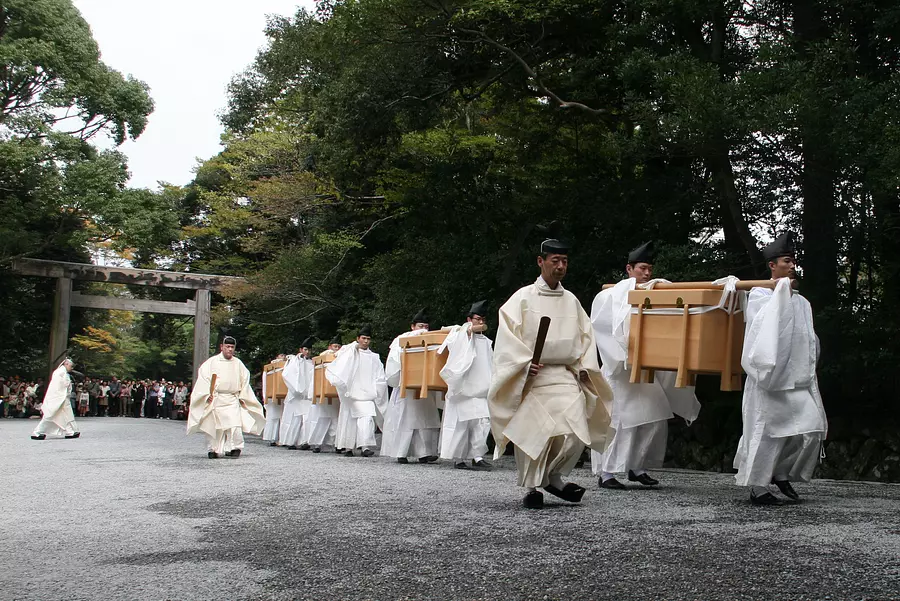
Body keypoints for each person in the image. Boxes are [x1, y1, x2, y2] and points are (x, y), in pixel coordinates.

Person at [488, 238, 612, 509]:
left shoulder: (572, 301)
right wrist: (522, 366)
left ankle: (553, 476)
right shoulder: (522, 298)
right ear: (540, 261)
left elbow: (585, 338)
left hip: (565, 374)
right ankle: (533, 486)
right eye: (555, 261)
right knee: (536, 431)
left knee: (573, 428)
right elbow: (508, 338)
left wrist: (582, 368)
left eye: (564, 262)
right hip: (534, 375)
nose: (560, 266)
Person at [589, 241, 701, 489]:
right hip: (621, 371)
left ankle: (636, 467)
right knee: (619, 422)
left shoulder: (656, 294)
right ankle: (607, 472)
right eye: (642, 268)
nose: (647, 273)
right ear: (629, 269)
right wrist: (624, 355)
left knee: (654, 416)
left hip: (647, 369)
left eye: (649, 268)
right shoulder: (610, 296)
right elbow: (601, 328)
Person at [733, 233, 828, 505]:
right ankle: (758, 487)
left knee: (809, 429)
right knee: (766, 432)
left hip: (796, 378)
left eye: (794, 261)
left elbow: (808, 339)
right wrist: (779, 291)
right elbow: (761, 332)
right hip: (768, 379)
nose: (792, 265)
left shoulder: (800, 301)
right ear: (772, 265)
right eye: (787, 261)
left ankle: (781, 472)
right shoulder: (760, 295)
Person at [437, 300, 494, 470]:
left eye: (483, 318)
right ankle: (458, 458)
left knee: (482, 423)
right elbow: (468, 333)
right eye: (477, 318)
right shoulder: (459, 334)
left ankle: (477, 456)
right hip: (463, 389)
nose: (481, 322)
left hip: (481, 388)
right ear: (469, 319)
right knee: (461, 425)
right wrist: (468, 328)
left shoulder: (487, 342)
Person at [187, 336, 265, 458]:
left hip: (232, 398)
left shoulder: (238, 364)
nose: (230, 349)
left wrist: (243, 397)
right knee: (215, 425)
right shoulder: (211, 363)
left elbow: (244, 381)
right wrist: (207, 395)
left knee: (234, 425)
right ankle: (214, 449)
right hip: (216, 397)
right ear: (221, 347)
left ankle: (235, 447)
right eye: (227, 347)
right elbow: (203, 379)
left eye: (232, 347)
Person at [383, 309, 442, 464]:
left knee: (425, 418)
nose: (423, 329)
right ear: (413, 326)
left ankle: (425, 452)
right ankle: (401, 452)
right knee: (406, 419)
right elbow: (394, 361)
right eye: (420, 326)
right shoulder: (402, 339)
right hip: (406, 385)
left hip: (424, 385)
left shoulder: (432, 340)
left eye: (426, 326)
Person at [327, 326, 388, 457]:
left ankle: (365, 446)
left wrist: (378, 391)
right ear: (358, 339)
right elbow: (339, 360)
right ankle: (348, 447)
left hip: (368, 393)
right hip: (351, 392)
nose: (366, 341)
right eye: (363, 338)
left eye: (368, 339)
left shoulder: (374, 357)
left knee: (367, 418)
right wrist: (353, 347)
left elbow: (380, 375)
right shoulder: (350, 352)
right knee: (350, 419)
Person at [306, 335, 343, 453]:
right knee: (321, 419)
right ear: (330, 346)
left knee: (336, 420)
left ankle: (336, 443)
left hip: (335, 394)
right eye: (334, 346)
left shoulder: (343, 357)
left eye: (338, 347)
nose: (336, 349)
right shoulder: (323, 356)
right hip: (323, 394)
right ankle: (317, 443)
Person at [31, 358, 81, 440]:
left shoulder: (61, 372)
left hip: (62, 397)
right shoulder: (60, 373)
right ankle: (37, 432)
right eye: (71, 366)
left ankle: (70, 431)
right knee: (50, 415)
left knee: (66, 414)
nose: (71, 368)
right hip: (58, 397)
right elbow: (61, 385)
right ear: (66, 364)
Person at [280, 339, 315, 450]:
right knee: (295, 419)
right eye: (305, 349)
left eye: (309, 350)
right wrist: (297, 389)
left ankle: (305, 441)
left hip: (307, 395)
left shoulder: (312, 362)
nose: (307, 352)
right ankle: (291, 441)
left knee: (307, 418)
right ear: (300, 350)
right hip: (297, 396)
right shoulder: (294, 361)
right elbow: (288, 374)